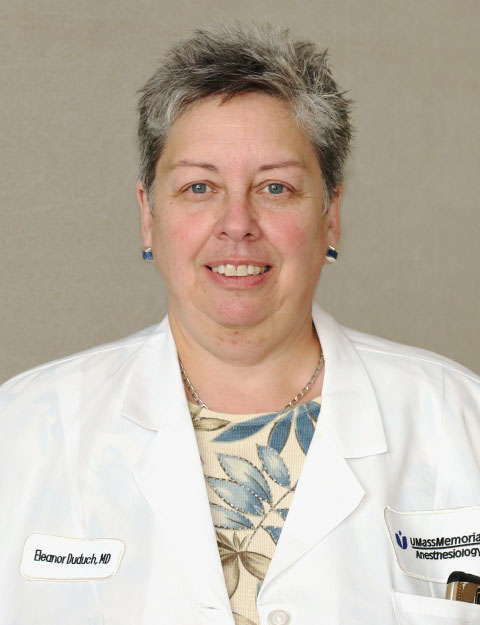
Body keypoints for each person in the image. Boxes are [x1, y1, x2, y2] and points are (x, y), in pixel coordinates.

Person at [1, 22, 479, 625]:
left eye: (275, 187)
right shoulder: (22, 432)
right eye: (199, 187)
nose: (237, 224)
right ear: (148, 216)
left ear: (330, 215)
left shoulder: (459, 424)